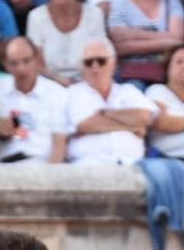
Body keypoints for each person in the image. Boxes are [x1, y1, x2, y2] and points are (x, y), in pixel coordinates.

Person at [65, 36, 158, 164]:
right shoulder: (73, 93)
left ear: (113, 64)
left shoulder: (128, 90)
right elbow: (85, 124)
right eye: (88, 62)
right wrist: (132, 127)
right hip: (90, 165)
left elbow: (144, 117)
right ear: (82, 67)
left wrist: (105, 113)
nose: (95, 67)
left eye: (101, 61)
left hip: (132, 163)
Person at [107, 0, 184, 89]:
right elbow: (119, 46)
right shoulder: (119, 5)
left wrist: (133, 34)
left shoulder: (171, 2)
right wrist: (164, 40)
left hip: (167, 71)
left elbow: (178, 41)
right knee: (135, 88)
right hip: (131, 73)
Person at [25, 0, 105, 86]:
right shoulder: (36, 17)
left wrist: (83, 84)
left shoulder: (94, 14)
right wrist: (60, 81)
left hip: (89, 81)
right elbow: (37, 64)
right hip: (49, 83)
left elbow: (100, 57)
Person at [0, 34, 66, 162]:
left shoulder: (56, 92)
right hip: (6, 167)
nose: (21, 68)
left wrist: (52, 177)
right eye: (14, 63)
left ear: (37, 59)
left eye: (26, 61)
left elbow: (60, 141)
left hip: (42, 165)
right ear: (5, 65)